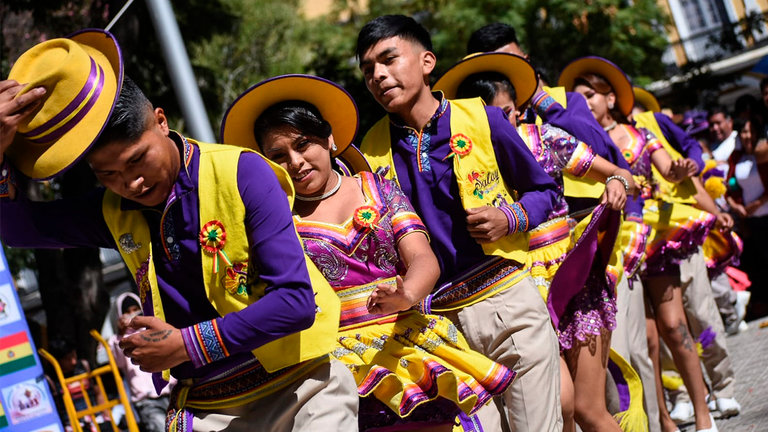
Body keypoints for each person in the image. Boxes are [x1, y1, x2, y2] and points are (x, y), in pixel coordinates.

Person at [0, 30, 358, 432]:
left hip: (302, 388)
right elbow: (15, 227)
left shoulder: (242, 171)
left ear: (160, 121)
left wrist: (185, 345)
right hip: (206, 408)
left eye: (138, 160)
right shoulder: (113, 209)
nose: (131, 183)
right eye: (109, 174)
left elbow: (294, 302)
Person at [221, 73, 517, 432]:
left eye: (304, 144)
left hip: (406, 342)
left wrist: (406, 294)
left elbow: (424, 259)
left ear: (329, 139)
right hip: (329, 363)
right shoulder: (271, 220)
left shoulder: (377, 188)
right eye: (278, 155)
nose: (295, 162)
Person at [356, 15, 563, 432]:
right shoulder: (368, 151)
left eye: (389, 59)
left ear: (427, 61)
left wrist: (510, 217)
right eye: (367, 70)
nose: (378, 75)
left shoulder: (482, 118)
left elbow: (545, 191)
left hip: (507, 303)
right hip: (432, 328)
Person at [466, 23, 660, 432]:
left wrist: (615, 183)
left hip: (573, 279)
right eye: (493, 117)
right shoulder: (467, 164)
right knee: (560, 407)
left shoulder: (543, 137)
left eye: (510, 111)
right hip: (522, 294)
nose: (508, 121)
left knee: (589, 409)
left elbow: (617, 171)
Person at [561, 56, 719, 432]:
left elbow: (667, 167)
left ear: (610, 99)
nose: (585, 102)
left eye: (591, 95)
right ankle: (662, 420)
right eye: (579, 97)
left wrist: (679, 170)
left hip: (652, 238)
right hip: (613, 244)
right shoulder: (578, 144)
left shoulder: (639, 134)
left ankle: (702, 414)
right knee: (642, 344)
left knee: (674, 326)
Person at [632, 88, 742, 424]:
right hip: (646, 243)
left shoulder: (655, 124)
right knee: (667, 330)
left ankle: (723, 388)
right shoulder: (603, 136)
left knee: (702, 316)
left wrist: (692, 163)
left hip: (684, 233)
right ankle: (681, 393)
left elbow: (692, 150)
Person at [108, 293, 174, 432]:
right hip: (146, 400)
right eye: (127, 312)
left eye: (135, 310)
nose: (132, 314)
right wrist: (121, 334)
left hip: (171, 391)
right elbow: (119, 363)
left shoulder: (151, 328)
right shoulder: (117, 339)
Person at [726, 115, 768, 319]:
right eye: (743, 131)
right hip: (752, 221)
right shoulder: (736, 157)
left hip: (765, 213)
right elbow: (728, 188)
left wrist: (758, 203)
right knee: (762, 263)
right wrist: (737, 207)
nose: (747, 135)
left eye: (750, 131)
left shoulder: (763, 151)